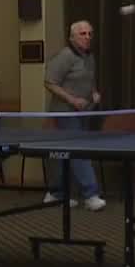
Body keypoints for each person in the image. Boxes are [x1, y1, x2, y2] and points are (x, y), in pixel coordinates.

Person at [43, 20, 107, 211]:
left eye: (89, 33)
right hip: (65, 113)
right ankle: (90, 194)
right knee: (79, 151)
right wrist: (72, 100)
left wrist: (94, 93)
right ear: (72, 37)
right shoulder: (64, 56)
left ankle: (55, 193)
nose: (87, 37)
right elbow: (49, 82)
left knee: (67, 153)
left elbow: (89, 79)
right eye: (83, 34)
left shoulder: (89, 57)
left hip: (83, 113)